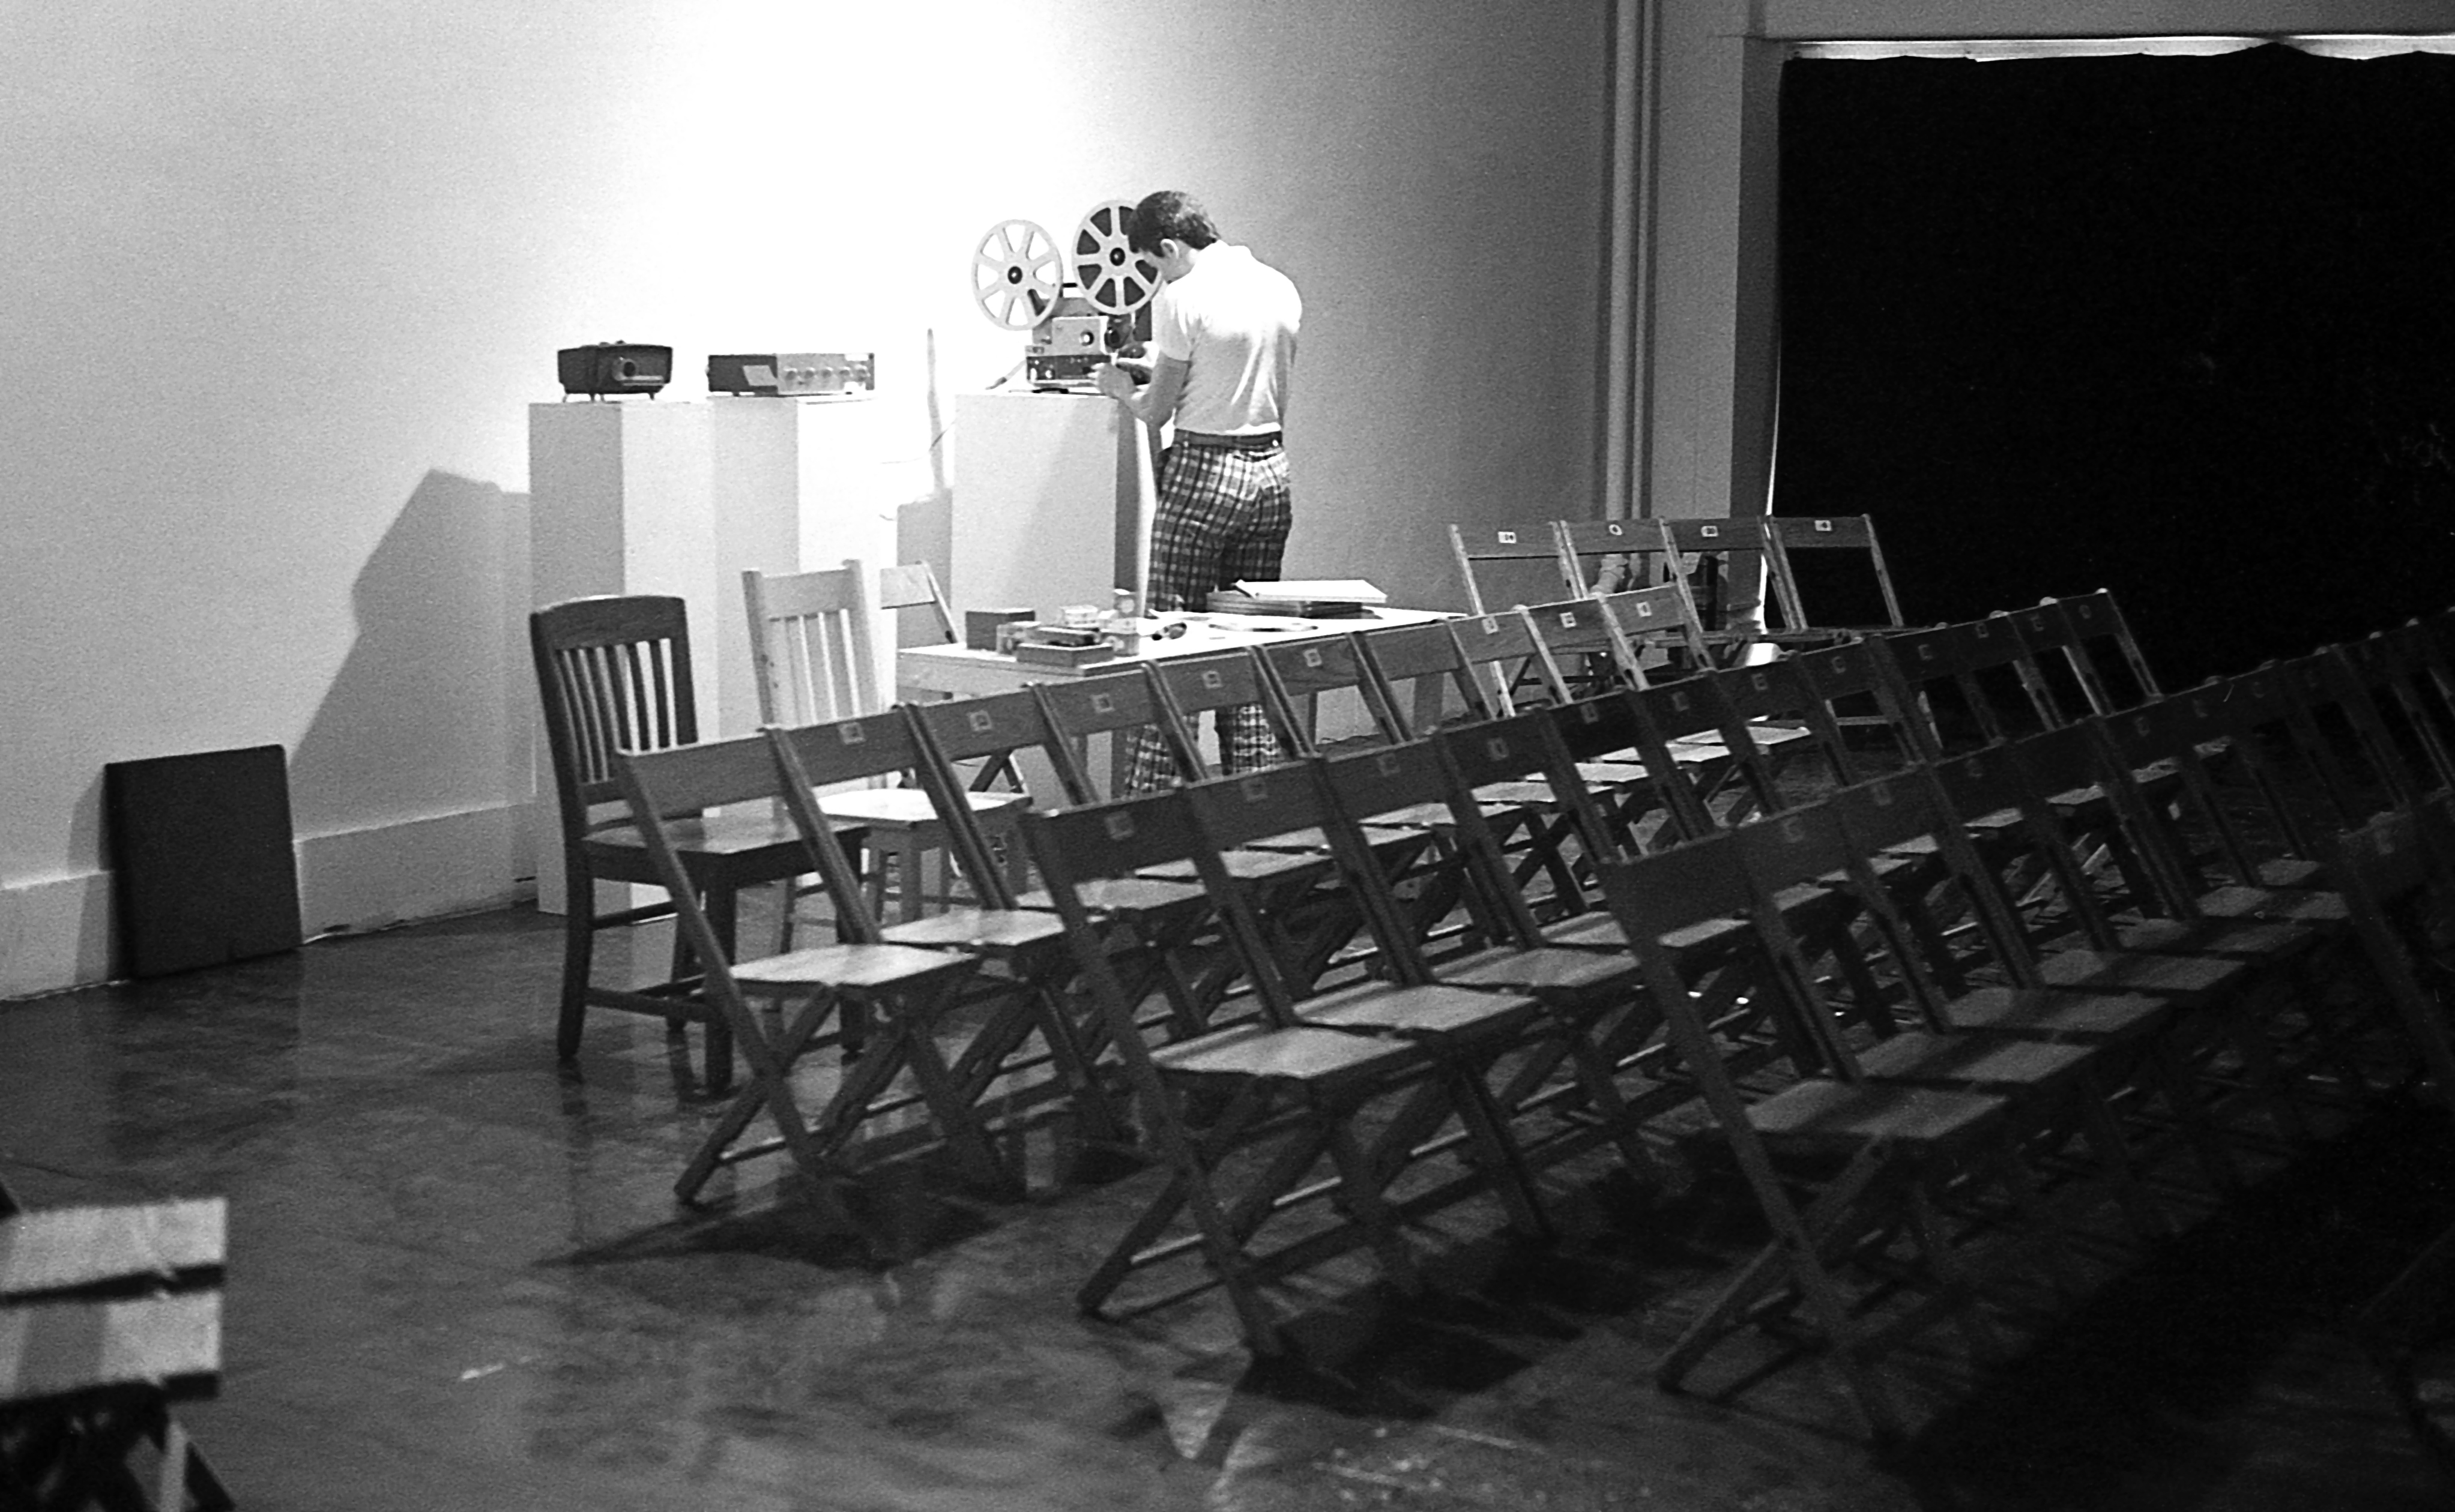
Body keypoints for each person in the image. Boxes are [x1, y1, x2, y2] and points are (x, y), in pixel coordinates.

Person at [1095, 190, 1302, 788]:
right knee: (1250, 643)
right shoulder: (1277, 285)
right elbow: (1240, 370)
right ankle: (1255, 796)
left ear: (1169, 247)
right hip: (1270, 471)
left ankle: (1155, 806)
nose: (1155, 276)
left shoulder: (1181, 296)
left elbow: (1156, 411)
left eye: (1154, 264)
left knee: (1170, 638)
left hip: (1205, 474)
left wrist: (1116, 386)